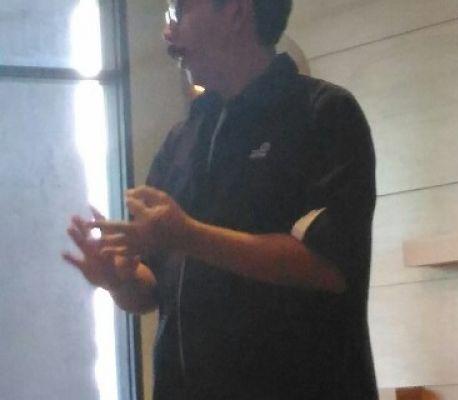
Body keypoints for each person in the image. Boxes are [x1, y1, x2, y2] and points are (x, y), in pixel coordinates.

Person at [63, 0, 378, 399]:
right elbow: (152, 287)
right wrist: (118, 279)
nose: (168, 32)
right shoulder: (183, 138)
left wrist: (188, 235)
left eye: (179, 12)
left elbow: (328, 266)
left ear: (236, 13)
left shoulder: (323, 114)